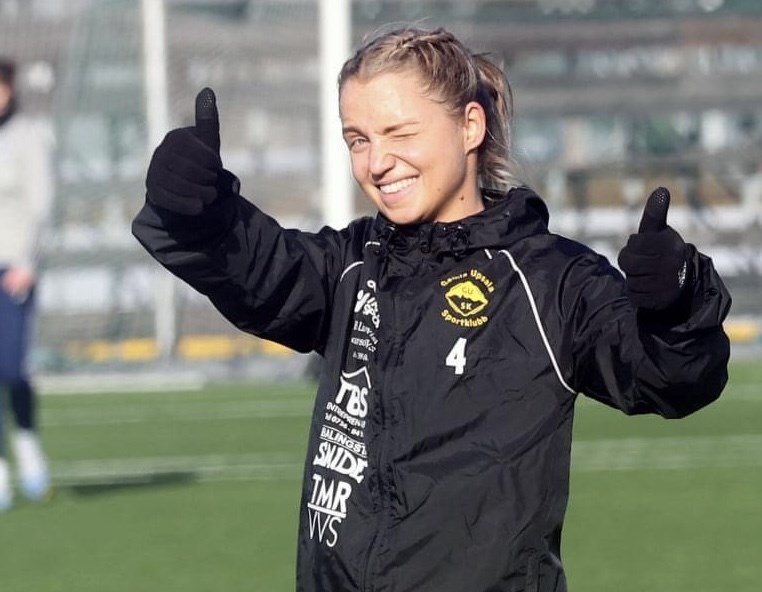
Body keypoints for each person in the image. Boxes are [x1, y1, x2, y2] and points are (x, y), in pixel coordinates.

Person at [132, 26, 731, 591]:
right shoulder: (351, 265)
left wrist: (675, 301)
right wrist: (197, 210)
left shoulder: (549, 281)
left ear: (470, 126)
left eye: (400, 134)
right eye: (358, 139)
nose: (376, 162)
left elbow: (671, 377)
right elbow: (257, 267)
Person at [0, 57, 53, 511]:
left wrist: (27, 262)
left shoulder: (26, 136)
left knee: (12, 368)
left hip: (12, 270)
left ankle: (27, 443)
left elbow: (41, 203)